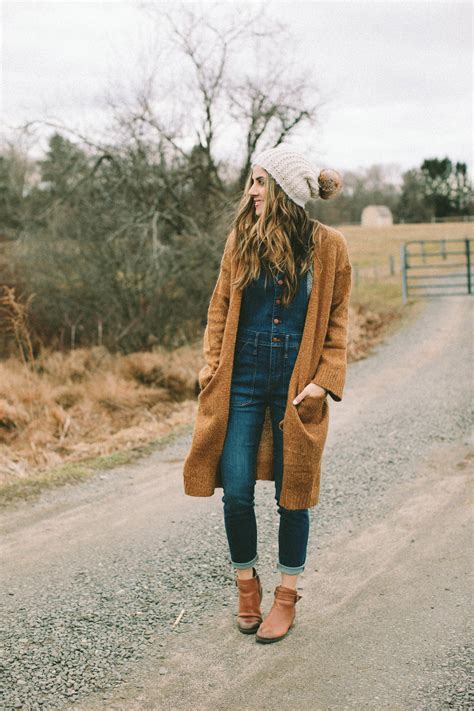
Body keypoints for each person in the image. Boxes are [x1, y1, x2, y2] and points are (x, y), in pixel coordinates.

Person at [183, 144, 351, 644]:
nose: (251, 191)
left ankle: (286, 596)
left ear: (284, 190)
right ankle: (246, 588)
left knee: (292, 495)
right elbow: (219, 310)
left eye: (260, 182)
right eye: (252, 181)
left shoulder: (330, 246)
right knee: (235, 491)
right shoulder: (241, 241)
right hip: (242, 383)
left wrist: (325, 379)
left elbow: (338, 324)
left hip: (298, 386)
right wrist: (213, 369)